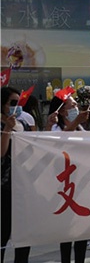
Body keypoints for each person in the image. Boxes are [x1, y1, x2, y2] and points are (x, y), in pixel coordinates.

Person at [46, 95, 90, 263]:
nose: (76, 108)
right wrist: (75, 122)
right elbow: (58, 143)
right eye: (72, 105)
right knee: (67, 228)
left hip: (80, 181)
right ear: (62, 109)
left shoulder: (79, 127)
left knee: (81, 228)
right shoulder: (55, 128)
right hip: (65, 182)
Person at [1, 87, 31, 263]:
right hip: (4, 187)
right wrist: (6, 129)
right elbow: (1, 153)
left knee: (24, 236)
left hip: (23, 186)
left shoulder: (24, 124)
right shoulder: (3, 125)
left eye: (19, 103)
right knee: (3, 234)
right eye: (13, 103)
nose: (17, 106)